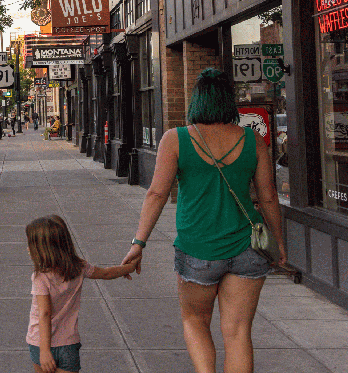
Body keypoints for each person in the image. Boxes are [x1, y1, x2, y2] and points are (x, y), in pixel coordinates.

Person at [121, 68, 286, 373]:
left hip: (197, 250)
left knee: (195, 321)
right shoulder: (252, 140)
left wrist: (138, 242)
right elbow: (269, 197)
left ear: (197, 99)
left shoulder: (176, 139)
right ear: (229, 100)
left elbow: (157, 194)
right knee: (238, 334)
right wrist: (278, 240)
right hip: (247, 249)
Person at [26, 215, 137, 373]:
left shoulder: (40, 277)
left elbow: (44, 313)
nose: (28, 249)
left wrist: (45, 351)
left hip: (39, 343)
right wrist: (129, 268)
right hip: (68, 342)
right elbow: (105, 273)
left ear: (44, 250)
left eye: (31, 245)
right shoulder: (79, 267)